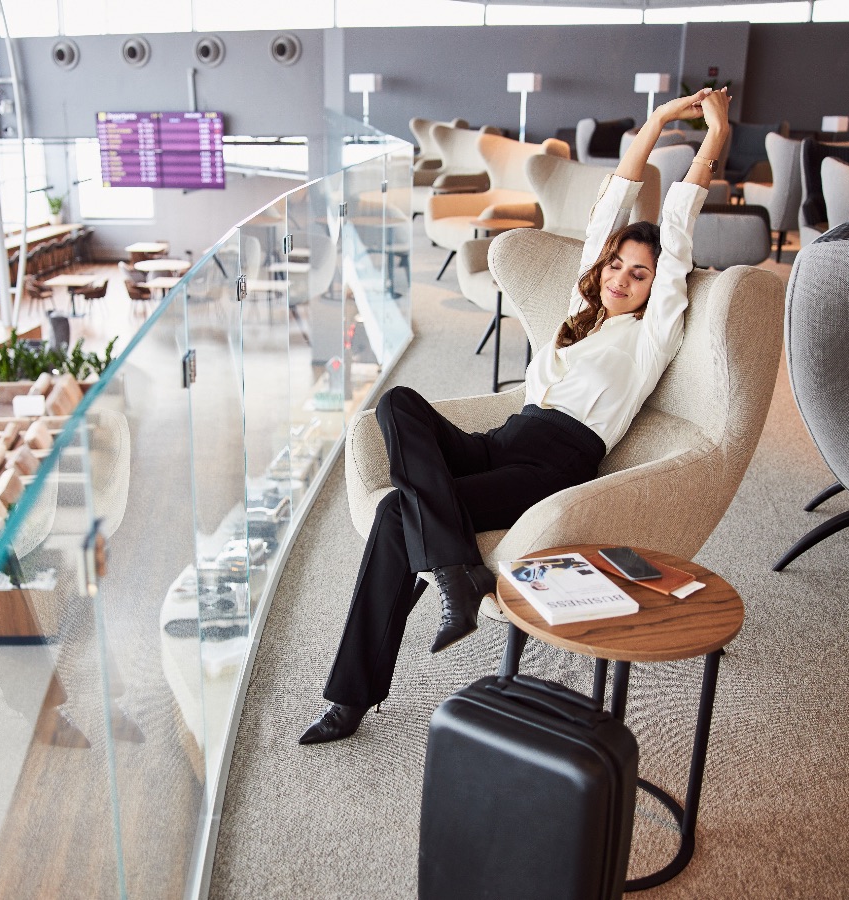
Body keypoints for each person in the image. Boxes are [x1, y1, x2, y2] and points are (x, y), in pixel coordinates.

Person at [300, 88, 731, 745]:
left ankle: (351, 700)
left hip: (553, 460)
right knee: (397, 403)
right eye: (615, 264)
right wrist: (658, 120)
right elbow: (614, 198)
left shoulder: (653, 334)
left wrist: (713, 134)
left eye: (638, 274)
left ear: (656, 287)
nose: (620, 277)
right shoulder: (583, 305)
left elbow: (676, 225)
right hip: (505, 439)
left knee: (394, 512)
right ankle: (457, 568)